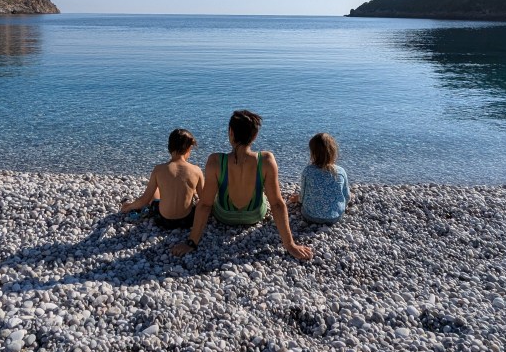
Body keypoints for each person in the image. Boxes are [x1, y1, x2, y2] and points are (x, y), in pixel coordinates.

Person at [172, 110, 313, 260]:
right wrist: (290, 244)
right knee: (266, 194)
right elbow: (277, 204)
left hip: (225, 215)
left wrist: (192, 242)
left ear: (231, 133)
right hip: (254, 215)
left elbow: (206, 204)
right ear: (255, 135)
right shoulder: (266, 160)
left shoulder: (215, 161)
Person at [120, 129, 204, 229]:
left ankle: (134, 207)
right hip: (187, 221)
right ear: (189, 148)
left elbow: (144, 200)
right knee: (192, 190)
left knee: (155, 190)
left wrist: (128, 207)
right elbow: (204, 200)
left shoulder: (159, 169)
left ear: (169, 147)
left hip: (163, 220)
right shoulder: (196, 170)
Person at [288, 132, 350, 224]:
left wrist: (297, 199)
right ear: (333, 151)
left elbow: (303, 196)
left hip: (310, 216)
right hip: (335, 217)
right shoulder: (340, 172)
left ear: (313, 153)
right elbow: (347, 197)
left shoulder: (307, 171)